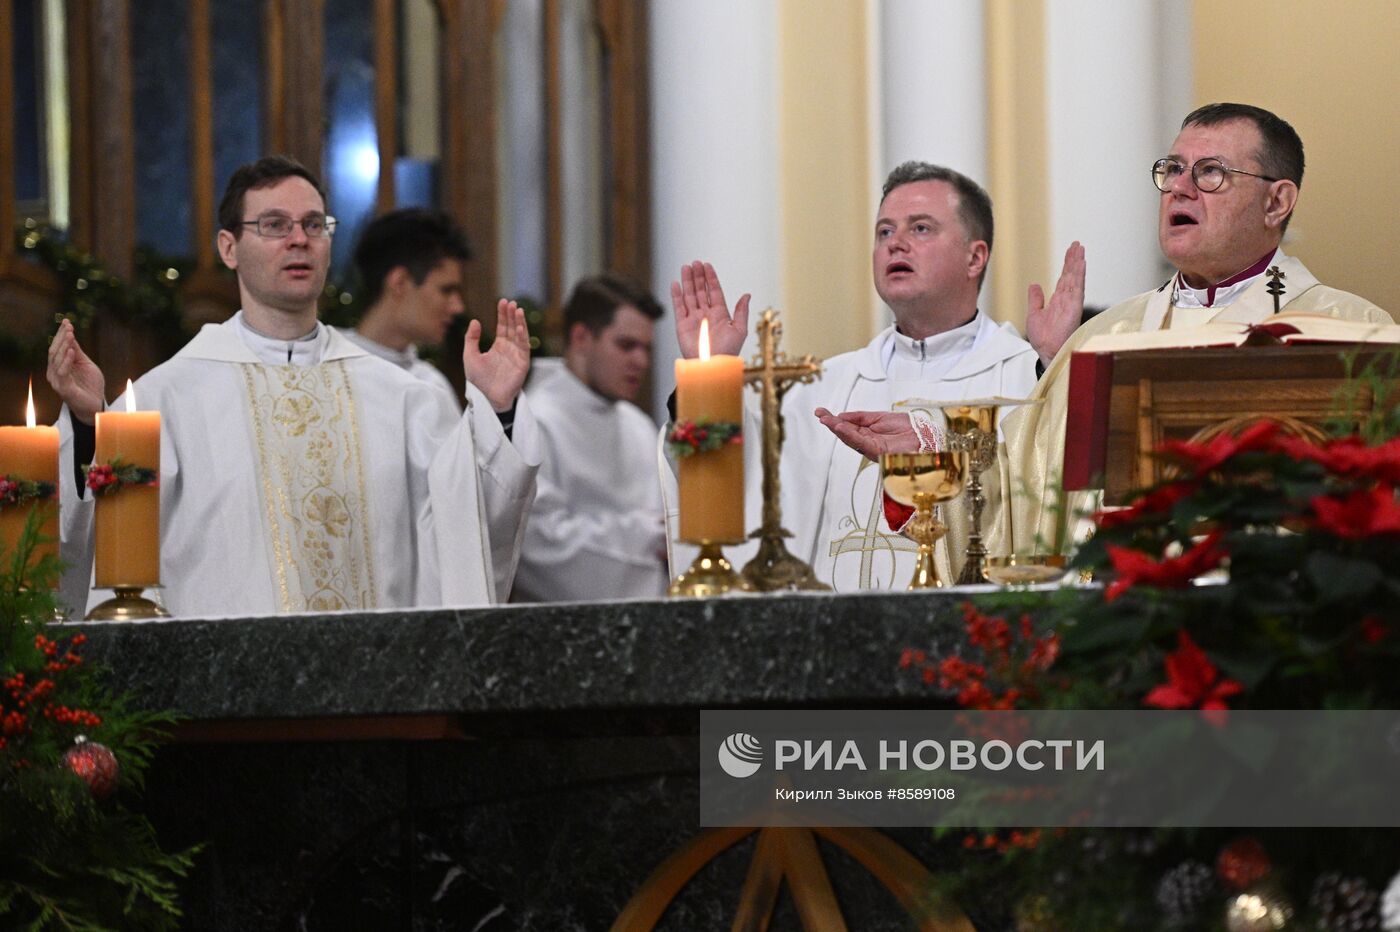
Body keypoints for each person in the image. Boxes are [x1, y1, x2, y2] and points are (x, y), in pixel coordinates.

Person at [47, 155, 540, 616]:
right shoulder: (167, 399)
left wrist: (498, 412)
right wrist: (92, 428)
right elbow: (97, 550)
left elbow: (469, 536)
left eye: (313, 225)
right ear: (228, 248)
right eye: (274, 225)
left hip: (380, 691)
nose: (298, 239)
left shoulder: (405, 399)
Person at [999, 102, 1393, 552]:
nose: (1178, 189)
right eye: (1172, 169)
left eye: (1210, 173)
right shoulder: (1106, 336)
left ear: (1276, 201)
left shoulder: (1352, 333)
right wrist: (939, 455)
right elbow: (1021, 486)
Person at [667, 162, 1052, 590]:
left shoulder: (1026, 379)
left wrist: (1058, 361)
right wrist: (710, 381)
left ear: (975, 257)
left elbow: (1044, 506)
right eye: (884, 232)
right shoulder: (823, 387)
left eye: (920, 229)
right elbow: (738, 485)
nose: (895, 244)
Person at [512, 275, 669, 602]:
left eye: (646, 348)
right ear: (581, 337)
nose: (641, 361)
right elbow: (538, 544)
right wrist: (648, 537)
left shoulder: (638, 424)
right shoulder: (535, 422)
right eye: (626, 345)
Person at [339, 207, 471, 411]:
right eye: (446, 290)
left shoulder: (432, 387)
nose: (457, 308)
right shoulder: (328, 371)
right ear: (400, 282)